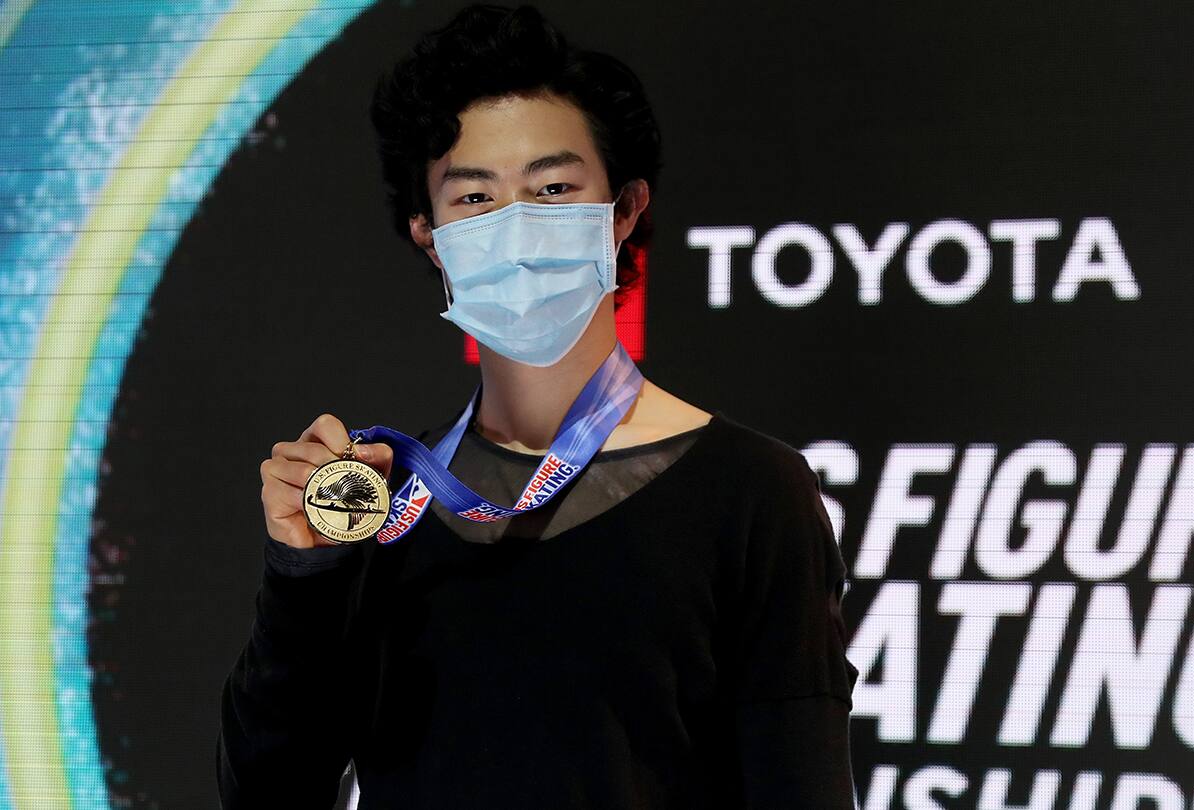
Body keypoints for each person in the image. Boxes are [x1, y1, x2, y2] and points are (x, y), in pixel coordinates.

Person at [217, 4, 859, 808]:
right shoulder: (385, 506)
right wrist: (303, 572)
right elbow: (268, 793)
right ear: (428, 232)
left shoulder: (750, 491)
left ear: (622, 211)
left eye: (553, 188)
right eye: (476, 199)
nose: (516, 225)